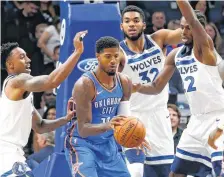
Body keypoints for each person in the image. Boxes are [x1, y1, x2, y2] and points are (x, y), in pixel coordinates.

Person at [134, 0, 224, 176]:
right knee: (175, 173)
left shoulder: (205, 49)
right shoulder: (176, 55)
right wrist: (136, 87)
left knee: (220, 170)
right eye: (181, 27)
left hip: (219, 118)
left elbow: (192, 17)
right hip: (196, 121)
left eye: (188, 28)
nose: (183, 31)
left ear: (199, 29)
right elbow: (156, 86)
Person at [0, 30, 87, 176]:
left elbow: (40, 126)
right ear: (11, 65)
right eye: (22, 57)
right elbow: (52, 81)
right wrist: (77, 52)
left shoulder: (21, 91)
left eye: (27, 56)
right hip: (6, 154)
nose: (28, 60)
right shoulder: (16, 81)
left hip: (14, 155)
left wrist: (65, 119)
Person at [64, 36, 149, 177]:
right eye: (108, 56)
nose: (113, 61)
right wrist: (109, 125)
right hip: (82, 144)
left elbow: (123, 120)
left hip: (108, 144)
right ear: (98, 57)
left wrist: (135, 135)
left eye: (116, 56)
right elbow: (83, 129)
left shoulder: (124, 82)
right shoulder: (85, 85)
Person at [119, 5, 182, 177]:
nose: (131, 24)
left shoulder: (158, 39)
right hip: (133, 116)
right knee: (137, 171)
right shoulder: (118, 54)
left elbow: (185, 33)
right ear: (121, 26)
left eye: (136, 20)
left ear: (144, 24)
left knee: (165, 171)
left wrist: (189, 17)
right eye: (127, 21)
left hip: (160, 115)